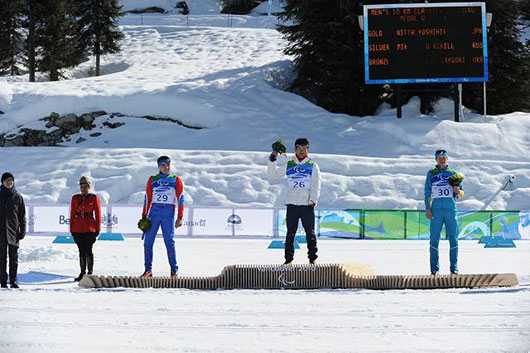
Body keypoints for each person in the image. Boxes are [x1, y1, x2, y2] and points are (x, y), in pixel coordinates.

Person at [268, 138, 321, 265]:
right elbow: (273, 174)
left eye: (304, 148)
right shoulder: (289, 164)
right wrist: (273, 158)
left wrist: (313, 199)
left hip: (306, 204)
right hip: (292, 204)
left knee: (310, 233)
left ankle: (312, 259)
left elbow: (316, 184)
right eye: (299, 148)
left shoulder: (312, 165)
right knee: (290, 233)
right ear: (295, 149)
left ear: (307, 149)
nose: (301, 151)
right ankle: (288, 260)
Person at [140, 156, 184, 278]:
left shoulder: (175, 179)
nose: (167, 167)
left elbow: (181, 199)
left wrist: (180, 217)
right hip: (154, 212)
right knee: (148, 242)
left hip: (168, 212)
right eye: (164, 165)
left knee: (169, 242)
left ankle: (174, 271)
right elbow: (147, 198)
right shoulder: (152, 179)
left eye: (168, 164)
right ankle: (148, 270)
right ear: (159, 166)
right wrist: (144, 216)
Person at [424, 149, 464, 275]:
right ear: (436, 159)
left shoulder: (453, 173)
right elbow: (427, 192)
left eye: (444, 157)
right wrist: (427, 208)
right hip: (436, 211)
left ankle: (454, 268)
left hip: (450, 210)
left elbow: (461, 193)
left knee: (453, 239)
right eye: (439, 157)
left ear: (447, 159)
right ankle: (434, 270)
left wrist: (457, 190)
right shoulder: (431, 173)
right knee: (434, 240)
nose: (442, 159)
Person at [70, 176, 101, 281]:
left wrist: (97, 229)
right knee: (81, 251)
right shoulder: (75, 198)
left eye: (86, 186)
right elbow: (72, 214)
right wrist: (72, 229)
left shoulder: (93, 198)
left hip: (89, 228)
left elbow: (98, 214)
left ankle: (90, 273)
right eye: (82, 186)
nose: (83, 188)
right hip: (78, 229)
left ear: (89, 187)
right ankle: (82, 273)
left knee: (89, 250)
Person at [0, 172, 26, 289]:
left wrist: (22, 230)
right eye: (6, 181)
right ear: (2, 182)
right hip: (1, 233)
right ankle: (3, 281)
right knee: (1, 259)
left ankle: (14, 281)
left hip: (13, 233)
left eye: (10, 180)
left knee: (13, 259)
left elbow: (22, 216)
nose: (9, 182)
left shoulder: (18, 197)